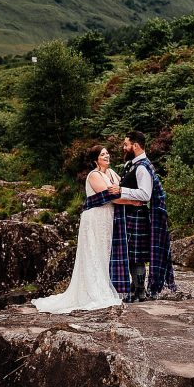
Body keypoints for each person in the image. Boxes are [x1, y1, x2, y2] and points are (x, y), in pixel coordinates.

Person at [32, 145, 124, 313]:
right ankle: (95, 291)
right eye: (103, 154)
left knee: (105, 252)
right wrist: (133, 200)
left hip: (108, 218)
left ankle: (105, 284)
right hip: (95, 218)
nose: (107, 156)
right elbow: (110, 196)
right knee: (94, 252)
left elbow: (121, 187)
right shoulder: (94, 175)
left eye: (107, 153)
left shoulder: (111, 173)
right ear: (95, 159)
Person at [110, 130, 176, 301]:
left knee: (136, 256)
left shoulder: (142, 167)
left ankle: (140, 291)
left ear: (135, 146)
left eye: (126, 144)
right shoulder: (131, 165)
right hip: (130, 215)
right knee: (132, 255)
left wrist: (122, 190)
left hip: (137, 216)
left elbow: (145, 195)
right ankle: (135, 287)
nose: (124, 148)